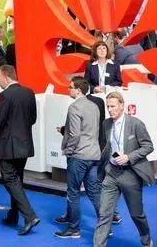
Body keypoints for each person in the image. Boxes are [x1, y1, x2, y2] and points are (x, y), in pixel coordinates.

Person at [93, 91, 155, 247]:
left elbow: (148, 146)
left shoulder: (136, 124)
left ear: (122, 105)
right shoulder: (106, 124)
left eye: (113, 106)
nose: (110, 110)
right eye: (108, 106)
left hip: (130, 174)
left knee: (136, 214)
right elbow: (107, 146)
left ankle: (146, 239)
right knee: (104, 213)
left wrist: (129, 156)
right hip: (111, 173)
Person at [0, 65, 40, 236]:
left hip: (7, 145)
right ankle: (13, 215)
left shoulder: (6, 95)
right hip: (24, 143)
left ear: (7, 77)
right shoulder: (29, 92)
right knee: (17, 180)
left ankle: (29, 216)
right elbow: (33, 118)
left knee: (10, 180)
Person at [54, 77, 101, 239]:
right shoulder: (94, 106)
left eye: (70, 87)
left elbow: (74, 134)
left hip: (79, 156)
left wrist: (68, 150)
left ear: (78, 90)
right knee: (93, 191)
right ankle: (105, 225)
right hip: (94, 154)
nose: (68, 89)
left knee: (73, 192)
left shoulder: (74, 107)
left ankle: (74, 229)